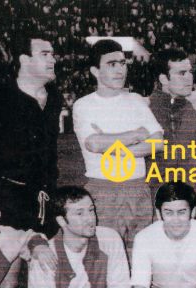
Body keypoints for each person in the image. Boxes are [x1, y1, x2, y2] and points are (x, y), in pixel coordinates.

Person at [73, 39, 164, 254]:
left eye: (122, 63)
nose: (120, 70)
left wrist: (113, 146)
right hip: (104, 189)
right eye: (112, 64)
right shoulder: (84, 104)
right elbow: (94, 143)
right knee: (106, 256)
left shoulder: (136, 101)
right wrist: (136, 135)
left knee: (140, 255)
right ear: (95, 71)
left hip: (137, 187)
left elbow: (158, 142)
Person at [0, 32, 61, 237]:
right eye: (45, 54)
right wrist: (7, 193)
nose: (52, 59)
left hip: (48, 198)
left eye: (52, 54)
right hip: (11, 205)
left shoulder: (54, 97)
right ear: (24, 59)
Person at [147, 48, 196, 228]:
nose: (189, 77)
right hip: (154, 202)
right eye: (181, 73)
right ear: (164, 78)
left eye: (190, 72)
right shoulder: (144, 107)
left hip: (191, 199)